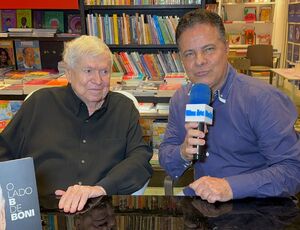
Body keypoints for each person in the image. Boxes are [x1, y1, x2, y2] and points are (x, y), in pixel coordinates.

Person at [159, 9, 300, 203]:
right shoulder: (181, 99)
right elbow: (167, 159)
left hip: (257, 206)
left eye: (208, 49)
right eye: (189, 54)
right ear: (181, 59)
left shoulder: (263, 99)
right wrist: (183, 152)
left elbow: (293, 170)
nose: (199, 61)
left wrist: (230, 187)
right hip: (204, 207)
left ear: (226, 47)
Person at [0, 35, 153, 213]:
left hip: (100, 212)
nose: (97, 80)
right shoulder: (39, 103)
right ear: (69, 73)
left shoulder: (123, 108)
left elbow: (140, 158)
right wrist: (15, 197)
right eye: (88, 71)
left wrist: (100, 189)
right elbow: (4, 151)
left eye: (104, 71)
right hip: (42, 212)